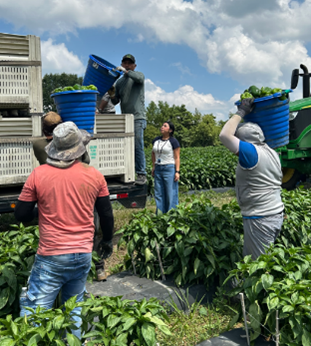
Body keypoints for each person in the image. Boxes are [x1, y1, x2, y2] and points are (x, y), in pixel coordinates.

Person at [14, 121, 114, 341]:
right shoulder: (95, 175)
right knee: (73, 311)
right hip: (83, 255)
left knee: (34, 315)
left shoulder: (39, 174)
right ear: (80, 148)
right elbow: (106, 215)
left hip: (52, 255)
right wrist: (106, 240)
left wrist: (42, 211)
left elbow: (20, 214)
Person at [32, 112, 106, 281]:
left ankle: (59, 272)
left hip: (53, 193)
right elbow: (85, 160)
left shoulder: (38, 144)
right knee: (88, 227)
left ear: (43, 130)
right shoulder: (73, 147)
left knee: (58, 231)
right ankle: (98, 267)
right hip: (77, 188)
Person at [219, 98, 284, 260]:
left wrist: (241, 112)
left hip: (260, 218)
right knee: (260, 258)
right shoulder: (271, 152)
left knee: (259, 266)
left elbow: (224, 136)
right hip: (275, 212)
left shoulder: (250, 153)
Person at [110, 54, 147, 185]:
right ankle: (129, 171)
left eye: (129, 63)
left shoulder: (138, 76)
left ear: (134, 66)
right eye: (124, 63)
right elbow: (115, 101)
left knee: (137, 145)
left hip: (137, 117)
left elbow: (139, 79)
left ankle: (142, 173)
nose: (126, 65)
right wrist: (111, 93)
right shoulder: (119, 82)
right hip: (126, 119)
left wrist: (126, 72)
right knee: (126, 147)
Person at [152, 121, 180, 214]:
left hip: (169, 168)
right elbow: (153, 153)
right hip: (158, 168)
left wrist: (177, 171)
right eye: (162, 125)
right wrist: (153, 166)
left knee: (170, 193)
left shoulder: (173, 141)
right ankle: (160, 214)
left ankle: (171, 214)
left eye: (165, 126)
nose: (162, 127)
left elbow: (177, 157)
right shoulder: (156, 140)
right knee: (158, 193)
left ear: (170, 130)